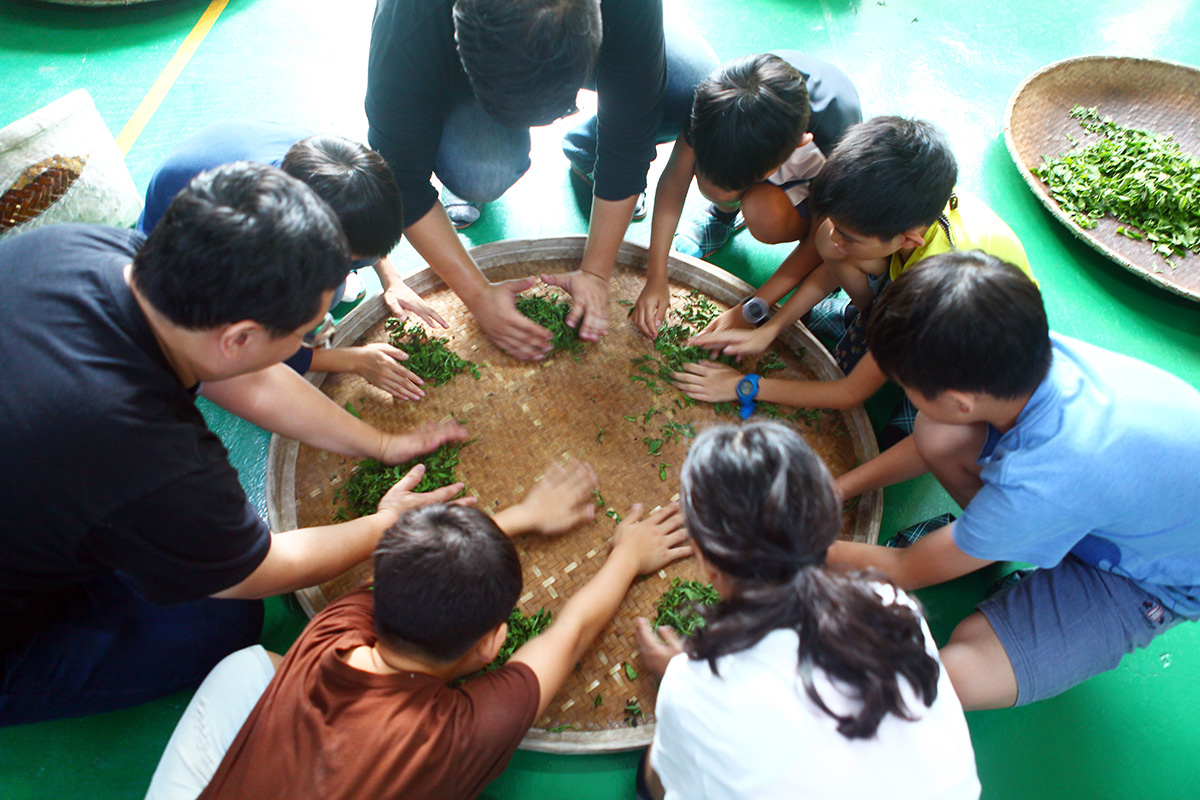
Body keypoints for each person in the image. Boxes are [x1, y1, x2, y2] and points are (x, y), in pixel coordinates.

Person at [0, 162, 468, 726]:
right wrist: (384, 526)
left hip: (36, 473)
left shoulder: (89, 251)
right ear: (240, 337)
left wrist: (380, 443)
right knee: (225, 621)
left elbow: (238, 371)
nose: (308, 343)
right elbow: (255, 567)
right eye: (303, 333)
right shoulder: (147, 450)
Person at [144, 461, 691, 800]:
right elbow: (568, 636)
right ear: (492, 644)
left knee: (253, 667)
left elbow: (414, 570)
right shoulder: (458, 736)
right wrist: (627, 556)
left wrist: (520, 515)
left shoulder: (334, 630)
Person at [826, 252, 1200, 711]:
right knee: (936, 433)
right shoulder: (1026, 352)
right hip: (1108, 508)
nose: (905, 394)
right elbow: (936, 438)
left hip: (1150, 578)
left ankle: (987, 546)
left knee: (961, 666)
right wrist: (840, 488)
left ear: (962, 401)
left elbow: (906, 569)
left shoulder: (1046, 476)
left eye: (907, 386)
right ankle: (988, 546)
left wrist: (773, 539)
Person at [633, 422, 979, 799]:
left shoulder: (691, 690)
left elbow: (660, 783)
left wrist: (689, 677)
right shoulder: (888, 601)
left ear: (707, 562)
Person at [366, 0, 719, 358]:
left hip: (611, 20)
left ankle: (586, 147)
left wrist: (596, 272)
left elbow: (629, 144)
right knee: (480, 169)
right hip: (442, 41)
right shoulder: (410, 23)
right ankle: (467, 158)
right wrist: (477, 295)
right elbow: (401, 181)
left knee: (691, 93)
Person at [673, 116, 1030, 444]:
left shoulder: (932, 293)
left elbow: (849, 393)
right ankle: (867, 320)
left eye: (852, 236)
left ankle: (912, 385)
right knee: (828, 238)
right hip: (912, 287)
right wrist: (773, 326)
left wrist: (743, 386)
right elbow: (835, 247)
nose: (835, 239)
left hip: (965, 347)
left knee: (919, 411)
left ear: (908, 240)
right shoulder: (907, 205)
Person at [140, 120, 444, 400]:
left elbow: (367, 226)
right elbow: (255, 352)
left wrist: (392, 279)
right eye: (346, 261)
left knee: (330, 290)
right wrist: (351, 360)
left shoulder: (327, 170)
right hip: (173, 249)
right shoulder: (249, 243)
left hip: (231, 166)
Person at [633, 51, 861, 338]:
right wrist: (656, 274)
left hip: (820, 168)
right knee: (715, 184)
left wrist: (752, 308)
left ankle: (822, 284)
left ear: (796, 150)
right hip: (771, 140)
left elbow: (823, 236)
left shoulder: (837, 138)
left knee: (779, 221)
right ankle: (722, 216)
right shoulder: (717, 102)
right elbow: (674, 180)